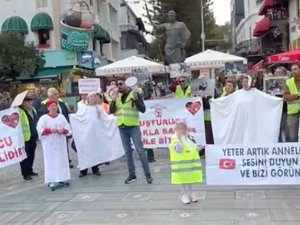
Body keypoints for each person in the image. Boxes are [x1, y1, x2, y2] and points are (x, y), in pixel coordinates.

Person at [109, 79, 153, 184]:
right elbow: (111, 111)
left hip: (133, 126)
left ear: (127, 85)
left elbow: (143, 109)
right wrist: (113, 100)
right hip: (122, 126)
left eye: (121, 84)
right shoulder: (117, 96)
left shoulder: (135, 93)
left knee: (140, 150)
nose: (118, 86)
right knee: (128, 152)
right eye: (117, 84)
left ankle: (148, 175)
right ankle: (132, 175)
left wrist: (136, 100)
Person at [37, 99, 72, 191]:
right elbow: (40, 130)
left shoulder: (61, 117)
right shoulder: (44, 118)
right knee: (50, 161)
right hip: (49, 144)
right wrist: (49, 130)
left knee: (61, 160)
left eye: (55, 106)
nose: (54, 107)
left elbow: (68, 129)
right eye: (51, 106)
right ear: (48, 108)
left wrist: (63, 131)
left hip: (60, 143)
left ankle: (62, 178)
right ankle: (51, 181)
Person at [169, 121, 203, 204]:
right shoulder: (174, 138)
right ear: (176, 129)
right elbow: (178, 150)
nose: (182, 130)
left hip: (191, 164)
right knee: (183, 180)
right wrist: (179, 144)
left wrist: (200, 148)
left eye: (183, 128)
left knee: (190, 179)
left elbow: (193, 148)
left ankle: (191, 193)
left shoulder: (190, 137)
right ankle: (184, 195)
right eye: (180, 128)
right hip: (180, 165)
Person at [40, 88, 74, 168]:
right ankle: (55, 163)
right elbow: (44, 117)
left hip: (62, 129)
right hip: (52, 131)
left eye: (57, 93)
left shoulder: (61, 103)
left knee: (64, 146)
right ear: (50, 96)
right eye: (55, 94)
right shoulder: (45, 104)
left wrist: (66, 127)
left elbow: (66, 114)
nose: (57, 95)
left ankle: (66, 160)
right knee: (54, 148)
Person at [78, 92, 102, 177]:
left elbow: (103, 118)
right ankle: (83, 170)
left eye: (94, 96)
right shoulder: (84, 108)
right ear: (88, 98)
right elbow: (79, 118)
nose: (93, 98)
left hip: (95, 133)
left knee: (95, 151)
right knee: (84, 151)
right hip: (86, 133)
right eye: (91, 97)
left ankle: (95, 169)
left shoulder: (98, 108)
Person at [19, 93, 39, 181]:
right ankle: (25, 173)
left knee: (31, 154)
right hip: (24, 137)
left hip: (33, 136)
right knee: (24, 156)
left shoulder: (33, 109)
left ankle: (30, 170)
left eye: (31, 101)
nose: (31, 103)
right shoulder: (19, 111)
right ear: (23, 102)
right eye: (28, 101)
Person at [283, 63, 300, 142]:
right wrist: (297, 96)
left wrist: (292, 96)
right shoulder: (288, 82)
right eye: (292, 69)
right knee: (293, 137)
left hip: (293, 112)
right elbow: (285, 97)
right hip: (292, 113)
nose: (293, 71)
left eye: (295, 69)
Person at [274, 67, 289, 142]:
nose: (277, 74)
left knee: (287, 131)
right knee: (277, 130)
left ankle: (289, 147)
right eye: (276, 73)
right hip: (275, 111)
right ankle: (278, 146)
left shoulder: (288, 83)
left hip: (285, 110)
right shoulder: (271, 83)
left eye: (280, 73)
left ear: (285, 74)